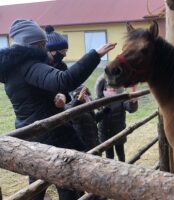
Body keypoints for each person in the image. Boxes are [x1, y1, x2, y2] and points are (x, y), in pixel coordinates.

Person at [0, 19, 116, 200]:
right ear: (31, 45)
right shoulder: (29, 66)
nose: (45, 48)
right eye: (42, 44)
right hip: (50, 134)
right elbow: (64, 80)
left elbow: (39, 94)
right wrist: (95, 54)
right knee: (66, 181)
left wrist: (62, 96)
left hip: (32, 132)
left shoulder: (15, 67)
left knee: (37, 183)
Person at [95, 74, 138, 162]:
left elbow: (130, 109)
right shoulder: (99, 99)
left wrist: (133, 102)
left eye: (113, 88)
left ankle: (123, 167)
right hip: (105, 133)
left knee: (121, 154)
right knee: (109, 155)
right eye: (108, 87)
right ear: (104, 88)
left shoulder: (121, 98)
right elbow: (96, 112)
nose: (111, 89)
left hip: (118, 131)